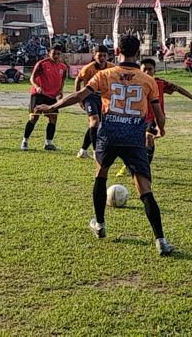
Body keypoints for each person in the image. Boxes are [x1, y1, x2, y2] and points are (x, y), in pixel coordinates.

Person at [36, 35, 174, 256]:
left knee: (101, 175)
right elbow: (159, 115)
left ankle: (99, 224)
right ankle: (161, 240)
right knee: (145, 189)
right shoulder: (147, 80)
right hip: (133, 139)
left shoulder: (105, 75)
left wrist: (53, 106)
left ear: (117, 50)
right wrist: (161, 128)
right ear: (138, 53)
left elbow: (79, 95)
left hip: (108, 135)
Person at [118, 57, 192, 177]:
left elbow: (178, 88)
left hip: (153, 118)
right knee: (134, 143)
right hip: (136, 118)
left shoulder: (160, 83)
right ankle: (130, 164)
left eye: (150, 69)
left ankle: (143, 169)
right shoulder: (134, 82)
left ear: (155, 70)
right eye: (145, 69)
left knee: (149, 139)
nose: (148, 72)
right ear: (140, 70)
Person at [21, 45, 67, 151]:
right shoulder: (42, 64)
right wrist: (37, 87)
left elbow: (62, 80)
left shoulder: (63, 67)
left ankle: (48, 144)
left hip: (52, 96)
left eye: (58, 54)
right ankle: (25, 141)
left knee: (53, 118)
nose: (56, 56)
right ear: (49, 52)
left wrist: (60, 91)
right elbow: (32, 78)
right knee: (34, 117)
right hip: (38, 95)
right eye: (54, 53)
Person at [75, 45, 114, 159]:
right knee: (95, 121)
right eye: (99, 55)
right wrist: (79, 98)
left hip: (103, 98)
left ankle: (83, 150)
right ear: (94, 55)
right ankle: (96, 151)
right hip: (89, 96)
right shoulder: (88, 68)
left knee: (95, 125)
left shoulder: (111, 67)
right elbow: (78, 80)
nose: (102, 58)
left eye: (104, 55)